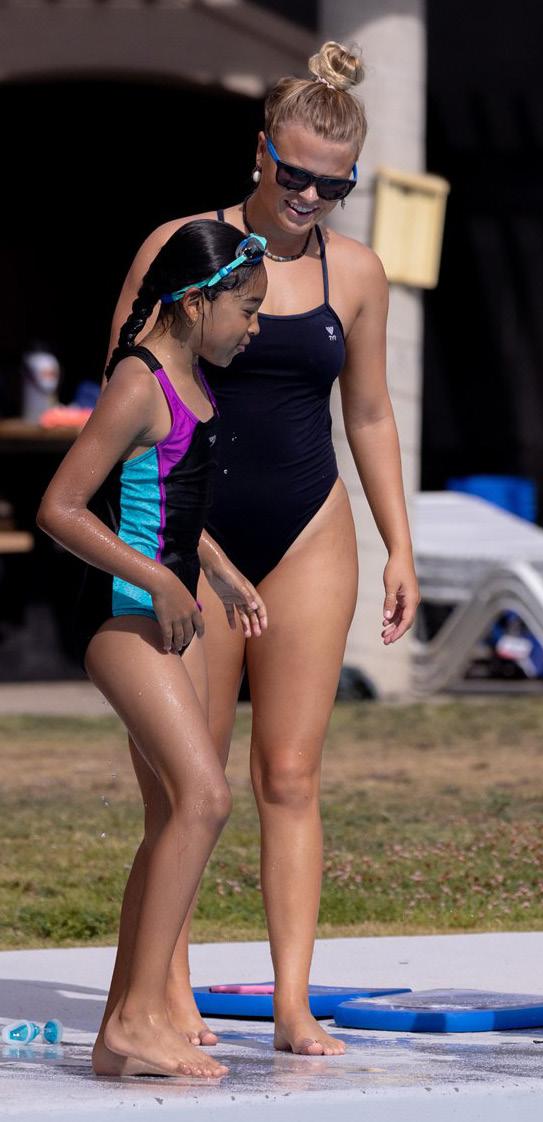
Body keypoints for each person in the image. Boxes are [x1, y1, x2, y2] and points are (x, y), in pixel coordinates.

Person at [107, 41, 419, 1056]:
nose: (310, 198)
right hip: (193, 534)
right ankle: (167, 996)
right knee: (183, 782)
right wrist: (176, 548)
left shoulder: (354, 271)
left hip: (307, 530)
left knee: (289, 774)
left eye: (335, 185)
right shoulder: (184, 245)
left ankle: (291, 1004)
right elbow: (125, 391)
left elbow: (368, 413)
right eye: (295, 175)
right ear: (259, 152)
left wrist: (399, 545)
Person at [38, 221, 269, 1076]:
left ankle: (118, 1029)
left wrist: (220, 571)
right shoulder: (138, 381)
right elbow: (61, 508)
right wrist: (160, 581)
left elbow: (169, 496)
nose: (254, 327)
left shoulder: (190, 378)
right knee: (204, 799)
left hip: (174, 612)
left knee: (178, 811)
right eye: (247, 310)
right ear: (197, 302)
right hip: (125, 616)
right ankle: (141, 1014)